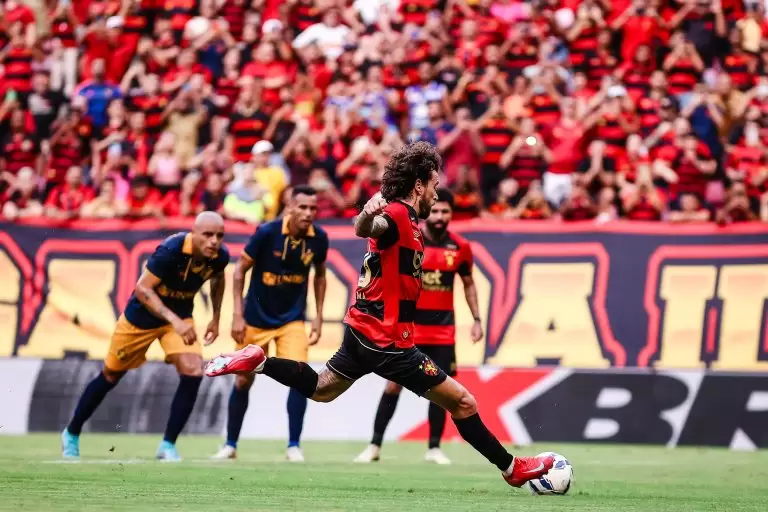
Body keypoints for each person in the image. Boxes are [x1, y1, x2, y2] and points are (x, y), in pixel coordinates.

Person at [206, 142, 554, 488]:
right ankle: (512, 469)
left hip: (362, 328)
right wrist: (369, 214)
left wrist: (373, 217)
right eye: (433, 183)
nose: (436, 191)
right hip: (387, 340)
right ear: (418, 184)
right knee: (463, 402)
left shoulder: (410, 219)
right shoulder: (399, 215)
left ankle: (260, 362)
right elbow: (367, 229)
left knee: (323, 389)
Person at [61, 212, 230, 461]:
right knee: (111, 375)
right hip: (140, 319)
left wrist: (215, 318)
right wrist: (174, 320)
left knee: (193, 371)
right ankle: (72, 432)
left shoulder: (219, 257)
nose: (215, 241)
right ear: (193, 233)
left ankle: (168, 445)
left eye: (219, 235)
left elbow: (218, 280)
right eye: (208, 234)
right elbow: (142, 289)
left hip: (180, 319)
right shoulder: (171, 250)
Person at [354, 188, 483, 465]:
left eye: (445, 212)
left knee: (441, 391)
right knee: (392, 387)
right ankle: (374, 445)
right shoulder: (410, 237)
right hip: (407, 328)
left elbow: (469, 283)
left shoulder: (460, 247)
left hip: (443, 332)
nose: (439, 216)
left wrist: (477, 319)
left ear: (451, 214)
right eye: (436, 211)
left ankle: (434, 448)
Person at [212, 186, 329, 462]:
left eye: (313, 208)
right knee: (243, 380)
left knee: (301, 377)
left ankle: (293, 446)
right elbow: (239, 270)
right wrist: (237, 315)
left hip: (293, 320)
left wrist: (319, 315)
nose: (309, 213)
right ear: (290, 207)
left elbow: (320, 276)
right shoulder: (267, 233)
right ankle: (230, 445)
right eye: (303, 207)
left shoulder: (319, 238)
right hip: (255, 318)